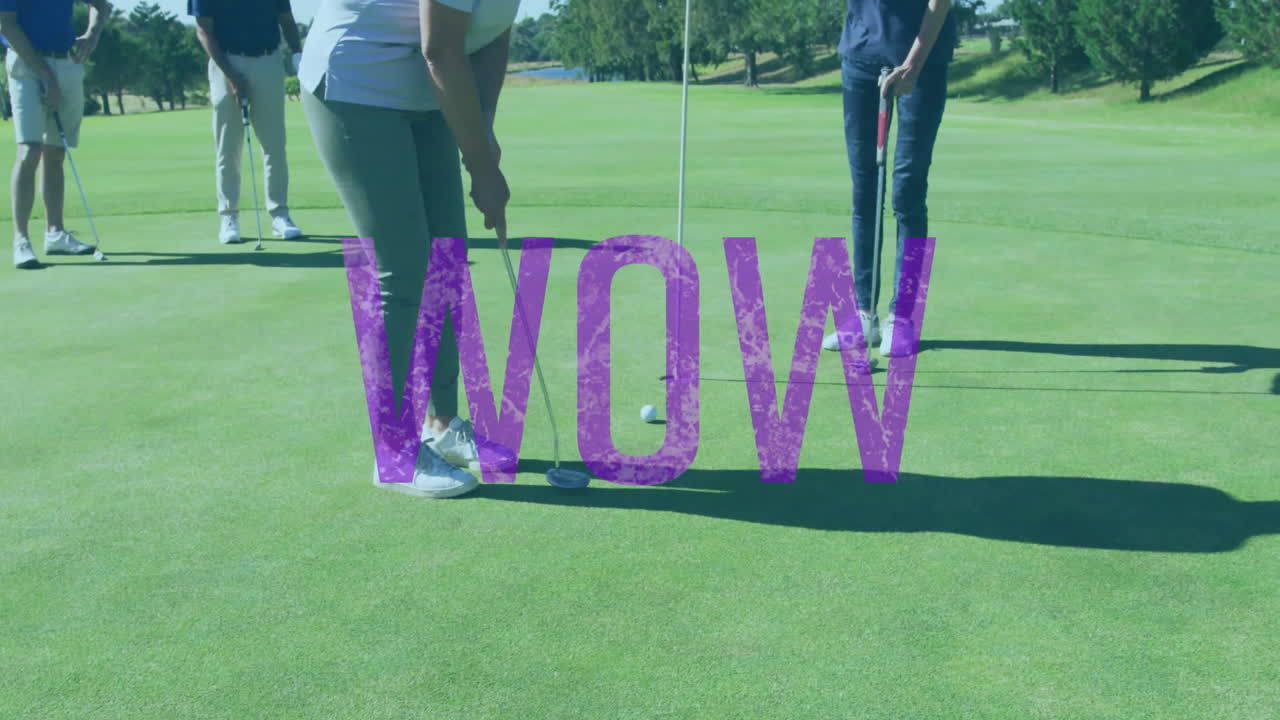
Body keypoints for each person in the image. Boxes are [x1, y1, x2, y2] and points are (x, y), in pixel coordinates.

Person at [300, 0, 518, 498]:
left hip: (423, 90)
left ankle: (441, 425)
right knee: (405, 271)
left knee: (447, 260)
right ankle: (393, 451)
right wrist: (482, 168)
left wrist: (482, 133)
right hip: (357, 82)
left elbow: (491, 34)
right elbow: (441, 49)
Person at [824, 0, 954, 356]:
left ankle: (903, 318)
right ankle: (864, 314)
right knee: (865, 190)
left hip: (921, 63)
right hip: (860, 59)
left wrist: (912, 65)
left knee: (907, 192)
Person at [1, 0, 109, 269]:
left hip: (68, 62)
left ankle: (55, 234)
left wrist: (92, 35)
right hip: (26, 65)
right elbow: (6, 24)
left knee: (55, 152)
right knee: (29, 150)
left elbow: (102, 5)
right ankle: (22, 241)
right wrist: (44, 72)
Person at [190, 0, 304, 245]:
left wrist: (297, 54)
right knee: (228, 147)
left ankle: (279, 214)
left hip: (268, 59)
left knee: (274, 145)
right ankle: (229, 216)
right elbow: (203, 30)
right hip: (225, 61)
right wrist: (230, 74)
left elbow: (286, 17)